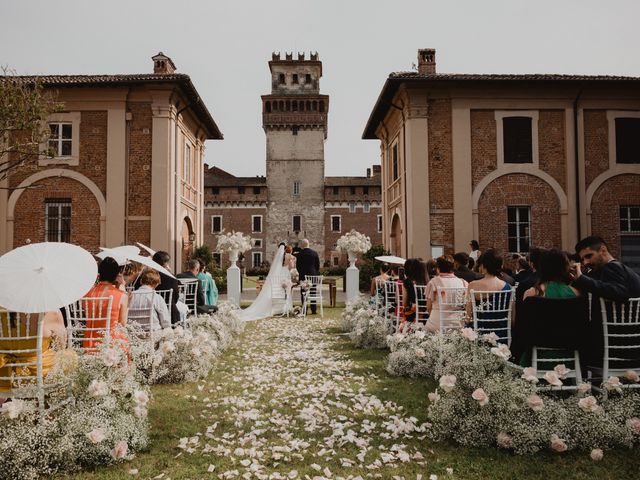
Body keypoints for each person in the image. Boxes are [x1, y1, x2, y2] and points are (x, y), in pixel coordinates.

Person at [571, 236, 640, 367]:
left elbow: (620, 292)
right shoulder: (620, 269)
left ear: (602, 250)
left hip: (617, 345)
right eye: (583, 259)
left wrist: (581, 279)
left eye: (589, 256)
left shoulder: (612, 268)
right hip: (632, 344)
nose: (585, 263)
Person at [0, 309, 66, 394]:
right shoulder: (52, 313)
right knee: (68, 358)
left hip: (3, 376)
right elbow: (61, 346)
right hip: (38, 375)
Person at [83, 257, 129, 352]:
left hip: (89, 341)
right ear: (116, 275)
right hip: (112, 343)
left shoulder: (87, 293)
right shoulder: (121, 295)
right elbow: (122, 324)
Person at [466, 249, 512, 342]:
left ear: (483, 266)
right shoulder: (508, 287)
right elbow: (512, 319)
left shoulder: (473, 285)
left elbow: (468, 316)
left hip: (479, 334)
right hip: (502, 335)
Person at [425, 255, 468, 333]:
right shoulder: (463, 283)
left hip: (436, 323)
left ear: (438, 268)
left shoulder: (433, 282)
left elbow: (428, 307)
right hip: (458, 324)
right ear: (453, 267)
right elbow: (466, 306)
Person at [149, 251, 182, 325]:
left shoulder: (146, 276)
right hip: (170, 312)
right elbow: (176, 297)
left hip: (149, 312)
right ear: (165, 263)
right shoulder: (171, 277)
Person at [400, 258, 429, 331]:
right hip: (427, 313)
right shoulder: (427, 281)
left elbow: (404, 303)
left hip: (412, 315)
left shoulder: (407, 282)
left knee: (406, 310)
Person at [296, 239, 321, 315]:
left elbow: (298, 266)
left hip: (303, 276)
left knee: (303, 293)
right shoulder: (314, 253)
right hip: (313, 275)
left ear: (302, 245)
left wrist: (301, 273)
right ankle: (314, 310)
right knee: (313, 292)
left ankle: (304, 310)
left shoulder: (299, 254)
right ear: (308, 244)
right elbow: (317, 266)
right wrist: (314, 272)